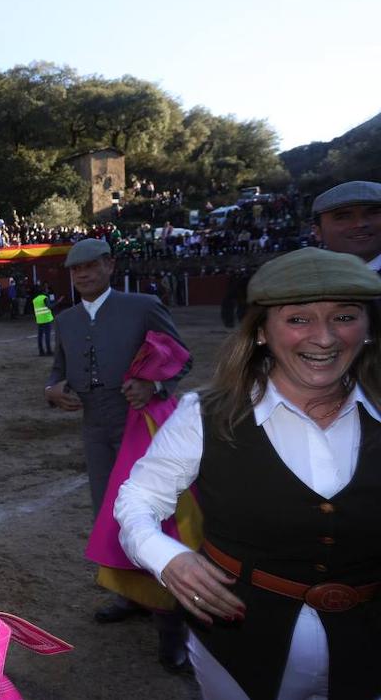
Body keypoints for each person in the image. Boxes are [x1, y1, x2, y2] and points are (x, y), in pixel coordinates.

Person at [116, 247, 381, 700]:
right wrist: (167, 557)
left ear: (369, 327)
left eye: (344, 316)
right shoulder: (204, 416)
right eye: (298, 319)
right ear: (261, 331)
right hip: (235, 655)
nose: (324, 338)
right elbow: (137, 498)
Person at [44, 237, 192, 670]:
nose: (83, 275)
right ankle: (129, 595)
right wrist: (52, 389)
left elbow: (182, 358)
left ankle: (171, 618)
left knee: (154, 513)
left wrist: (156, 386)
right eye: (76, 270)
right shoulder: (66, 319)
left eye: (91, 266)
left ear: (110, 265)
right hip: (94, 424)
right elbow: (59, 367)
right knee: (107, 512)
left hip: (138, 423)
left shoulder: (141, 305)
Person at [312, 180, 381, 271]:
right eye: (343, 217)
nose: (360, 224)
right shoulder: (301, 280)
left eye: (373, 213)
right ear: (318, 232)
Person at [32, 283, 55, 356]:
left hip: (39, 320)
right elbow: (49, 307)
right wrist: (58, 302)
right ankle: (48, 350)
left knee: (40, 336)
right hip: (46, 319)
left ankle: (41, 351)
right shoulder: (45, 298)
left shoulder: (35, 300)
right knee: (47, 335)